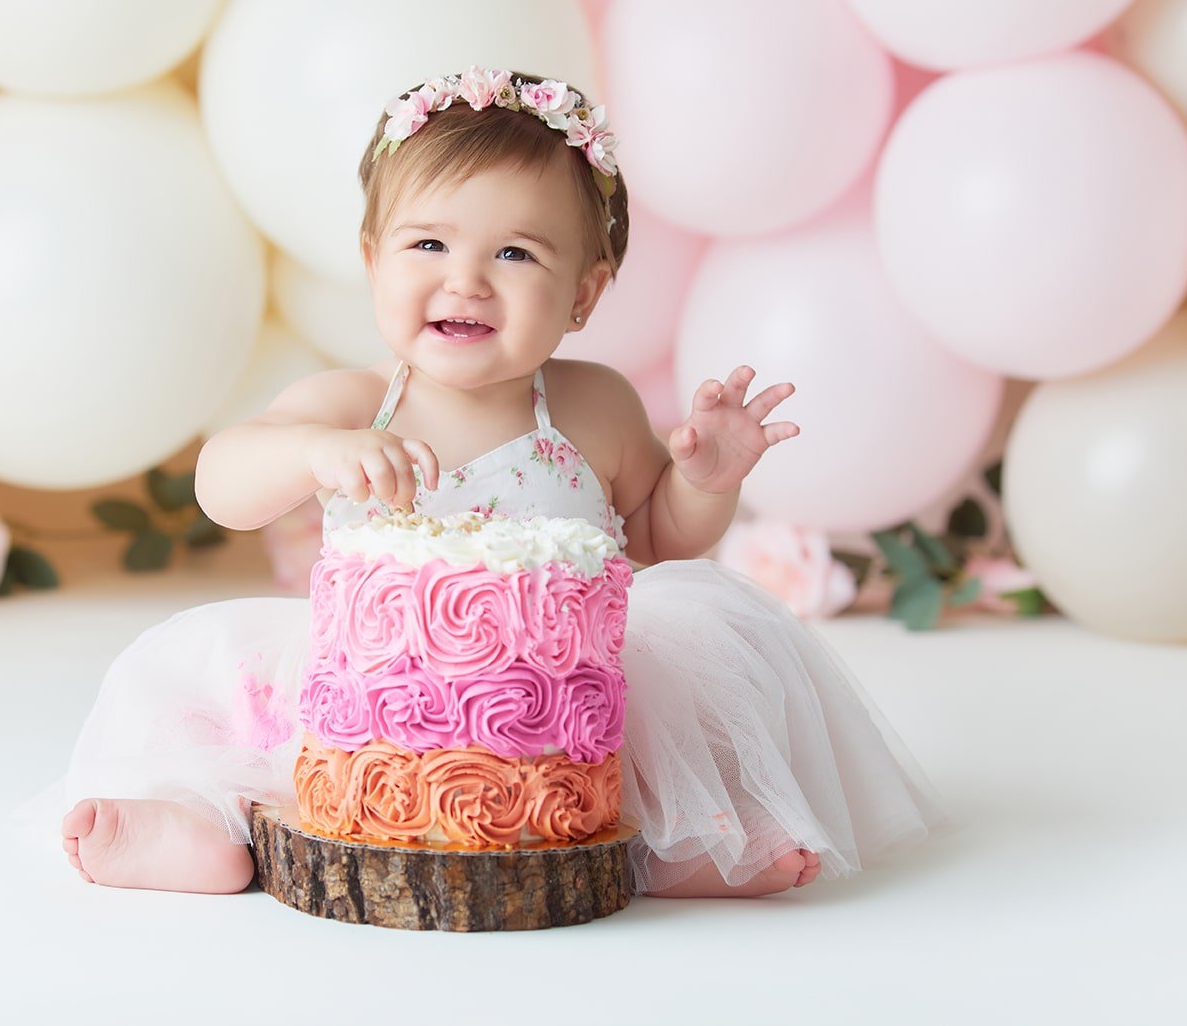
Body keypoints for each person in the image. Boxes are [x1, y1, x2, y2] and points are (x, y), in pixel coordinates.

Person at [58, 67, 946, 897]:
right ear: (373, 261)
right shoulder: (355, 400)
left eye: (515, 254)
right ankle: (202, 828)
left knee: (692, 686)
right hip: (367, 700)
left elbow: (651, 542)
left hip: (552, 709)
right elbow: (222, 481)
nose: (466, 279)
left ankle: (675, 840)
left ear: (583, 295)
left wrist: (701, 481)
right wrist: (310, 453)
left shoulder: (593, 406)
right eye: (429, 242)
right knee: (218, 698)